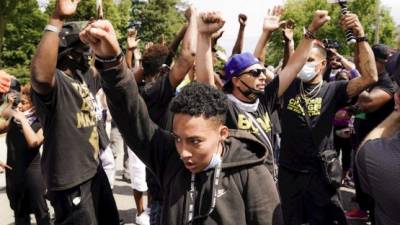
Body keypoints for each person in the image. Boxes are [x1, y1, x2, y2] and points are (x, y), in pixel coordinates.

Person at [79, 14, 283, 224]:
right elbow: (132, 116)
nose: (183, 152)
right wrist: (112, 61)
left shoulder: (251, 171)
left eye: (195, 141)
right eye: (177, 139)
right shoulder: (170, 159)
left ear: (222, 133)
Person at [196, 8, 331, 176]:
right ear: (236, 81)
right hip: (236, 186)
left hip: (267, 184)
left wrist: (312, 30)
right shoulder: (224, 105)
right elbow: (204, 84)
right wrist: (203, 36)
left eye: (262, 71)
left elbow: (294, 65)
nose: (262, 76)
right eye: (255, 73)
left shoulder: (265, 99)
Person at [276, 12, 378, 225]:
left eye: (310, 60)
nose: (304, 64)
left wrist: (360, 36)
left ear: (322, 65)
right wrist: (290, 42)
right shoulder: (289, 86)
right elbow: (288, 64)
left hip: (320, 176)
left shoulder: (335, 90)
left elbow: (370, 77)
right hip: (289, 173)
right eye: (302, 60)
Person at [30, 1, 119, 224]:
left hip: (93, 171)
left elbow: (112, 71)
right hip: (71, 181)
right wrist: (57, 19)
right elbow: (40, 76)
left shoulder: (82, 77)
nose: (89, 55)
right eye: (84, 51)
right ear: (69, 54)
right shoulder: (55, 83)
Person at [349, 43, 396, 221]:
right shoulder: (370, 80)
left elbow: (368, 104)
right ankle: (363, 207)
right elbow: (362, 110)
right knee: (361, 177)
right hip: (361, 138)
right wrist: (353, 116)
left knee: (376, 188)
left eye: (364, 58)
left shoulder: (387, 83)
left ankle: (371, 212)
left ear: (377, 61)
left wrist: (358, 80)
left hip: (378, 145)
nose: (359, 62)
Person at [0, 82, 51, 225]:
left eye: (24, 103)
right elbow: (3, 119)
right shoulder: (15, 118)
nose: (20, 106)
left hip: (32, 174)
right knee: (19, 213)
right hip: (13, 173)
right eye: (19, 102)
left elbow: (34, 142)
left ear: (35, 105)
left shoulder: (41, 121)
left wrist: (22, 120)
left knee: (41, 213)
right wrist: (10, 105)